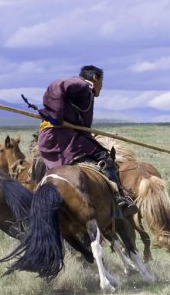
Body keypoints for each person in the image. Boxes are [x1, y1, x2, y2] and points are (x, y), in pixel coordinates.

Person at [37, 65, 138, 217]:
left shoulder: (83, 92)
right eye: (101, 83)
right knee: (106, 158)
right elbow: (58, 85)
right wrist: (56, 115)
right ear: (95, 78)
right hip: (62, 137)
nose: (101, 88)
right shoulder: (83, 85)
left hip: (57, 137)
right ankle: (120, 199)